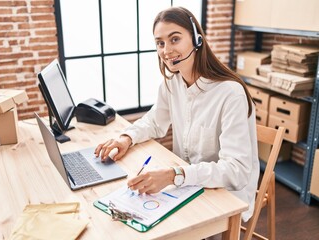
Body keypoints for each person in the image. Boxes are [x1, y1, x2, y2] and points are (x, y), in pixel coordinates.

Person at [94, 6, 259, 222]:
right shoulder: (172, 83)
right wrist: (126, 138)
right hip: (185, 187)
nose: (166, 50)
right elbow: (154, 121)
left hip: (226, 198)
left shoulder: (230, 94)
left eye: (174, 39)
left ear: (197, 40)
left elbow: (235, 172)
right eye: (160, 43)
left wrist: (174, 175)